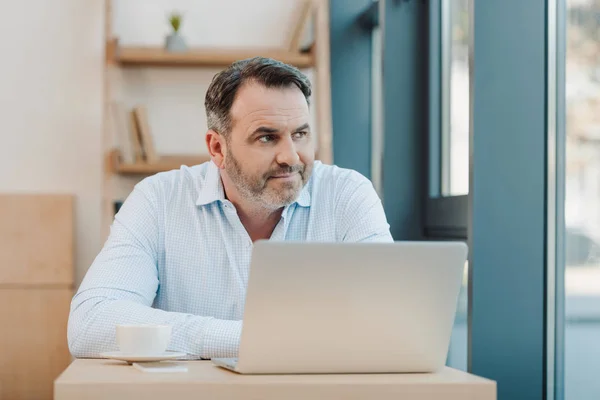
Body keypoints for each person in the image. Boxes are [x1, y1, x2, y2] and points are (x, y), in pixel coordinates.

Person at [68, 57, 393, 360]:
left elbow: (390, 319)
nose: (291, 157)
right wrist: (248, 338)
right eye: (267, 138)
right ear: (217, 147)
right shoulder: (158, 200)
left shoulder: (347, 195)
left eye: (300, 134)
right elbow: (90, 323)